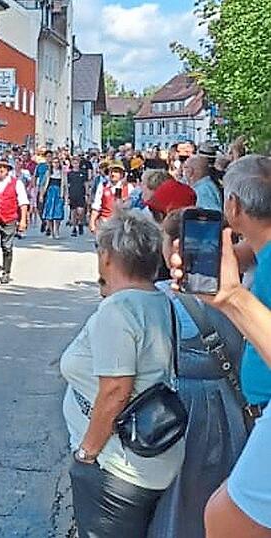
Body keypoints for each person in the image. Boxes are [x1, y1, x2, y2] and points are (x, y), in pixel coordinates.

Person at [60, 209, 185, 537]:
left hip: (117, 466)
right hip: (148, 456)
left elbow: (116, 390)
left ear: (108, 257)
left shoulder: (118, 310)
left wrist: (86, 454)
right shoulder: (159, 300)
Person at [170, 156, 271, 537]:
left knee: (228, 514)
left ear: (233, 207)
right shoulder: (261, 253)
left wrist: (230, 297)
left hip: (264, 406)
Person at [146, 210, 249, 538]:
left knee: (181, 497)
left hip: (184, 406)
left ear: (174, 246)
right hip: (233, 402)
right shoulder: (244, 292)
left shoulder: (160, 296)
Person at [89, 161, 135, 233]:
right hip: (105, 223)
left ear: (122, 174)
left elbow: (133, 207)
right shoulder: (103, 186)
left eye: (116, 172)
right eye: (111, 171)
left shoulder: (128, 187)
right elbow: (96, 206)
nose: (113, 174)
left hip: (122, 225)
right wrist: (92, 223)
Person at [40, 157, 67, 238]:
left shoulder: (62, 173)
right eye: (54, 162)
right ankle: (51, 232)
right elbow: (43, 184)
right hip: (50, 194)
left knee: (58, 213)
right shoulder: (48, 173)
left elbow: (65, 186)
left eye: (57, 162)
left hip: (59, 193)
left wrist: (65, 196)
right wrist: (41, 195)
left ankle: (57, 230)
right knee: (49, 213)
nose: (56, 164)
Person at [68, 155, 89, 237]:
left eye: (77, 163)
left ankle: (80, 223)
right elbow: (67, 185)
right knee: (73, 211)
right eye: (74, 163)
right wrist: (67, 196)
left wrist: (87, 193)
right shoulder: (70, 174)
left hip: (81, 193)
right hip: (72, 194)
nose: (75, 164)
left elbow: (86, 183)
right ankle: (74, 228)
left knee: (80, 211)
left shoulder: (83, 173)